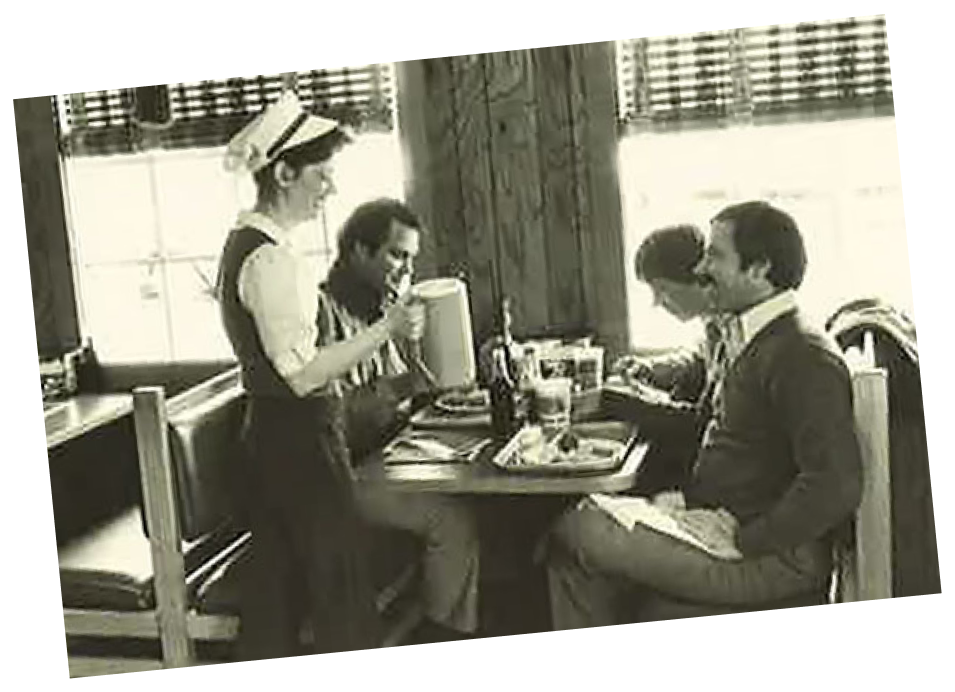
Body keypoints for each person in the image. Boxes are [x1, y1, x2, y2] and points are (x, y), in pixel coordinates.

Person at [544, 201, 864, 629]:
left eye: (714, 255)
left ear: (759, 268)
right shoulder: (751, 333)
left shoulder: (801, 354)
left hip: (770, 558)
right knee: (574, 552)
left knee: (575, 527)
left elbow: (837, 482)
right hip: (720, 520)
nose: (701, 266)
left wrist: (750, 538)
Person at [216, 92, 423, 659]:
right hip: (298, 444)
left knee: (281, 599)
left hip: (286, 439)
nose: (330, 187)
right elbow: (304, 377)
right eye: (322, 174)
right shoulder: (269, 259)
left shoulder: (259, 244)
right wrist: (388, 330)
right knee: (341, 598)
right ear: (284, 173)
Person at [317, 198, 481, 644]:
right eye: (396, 254)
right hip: (339, 479)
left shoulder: (384, 305)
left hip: (387, 460)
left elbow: (409, 393)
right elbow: (330, 419)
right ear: (357, 251)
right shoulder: (322, 314)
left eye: (410, 257)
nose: (406, 268)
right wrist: (402, 387)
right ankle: (440, 638)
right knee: (452, 520)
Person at [608, 224, 733, 494]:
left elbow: (699, 424)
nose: (657, 302)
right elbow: (700, 360)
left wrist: (619, 403)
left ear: (695, 278)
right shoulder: (713, 321)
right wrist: (655, 368)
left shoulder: (735, 332)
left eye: (662, 289)